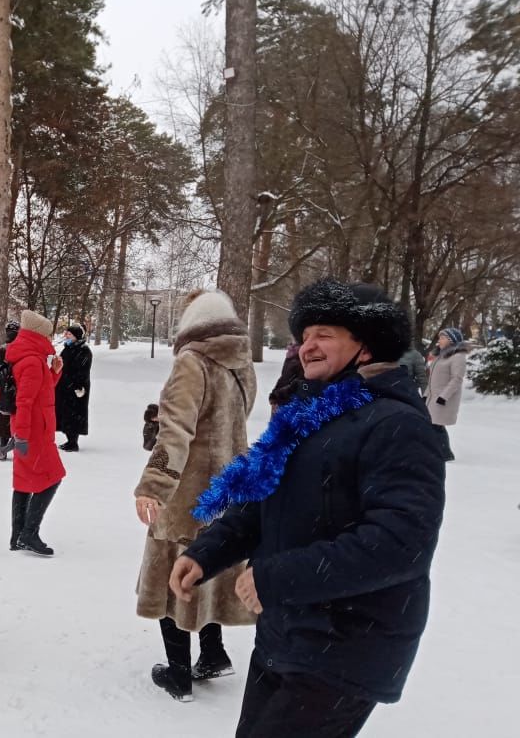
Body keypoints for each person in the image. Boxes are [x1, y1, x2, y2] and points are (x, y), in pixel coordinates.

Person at [170, 279, 445, 738]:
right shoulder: (312, 415)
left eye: (325, 335)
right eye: (305, 335)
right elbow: (267, 501)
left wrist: (275, 577)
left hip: (345, 646)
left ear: (366, 345)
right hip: (288, 631)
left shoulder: (397, 425)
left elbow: (400, 544)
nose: (306, 347)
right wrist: (207, 551)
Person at [134, 290, 258, 703]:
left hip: (188, 492)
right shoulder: (241, 365)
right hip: (230, 490)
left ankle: (178, 673)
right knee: (211, 566)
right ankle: (213, 652)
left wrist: (153, 485)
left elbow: (176, 434)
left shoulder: (191, 362)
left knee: (174, 579)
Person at [4, 310, 66, 556]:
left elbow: (40, 391)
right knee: (53, 476)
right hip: (34, 433)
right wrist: (22, 436)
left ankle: (17, 535)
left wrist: (54, 372)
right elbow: (26, 402)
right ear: (39, 335)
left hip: (30, 430)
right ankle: (29, 532)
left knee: (23, 481)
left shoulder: (31, 357)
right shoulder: (31, 360)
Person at [426, 327, 468, 461]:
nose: (439, 340)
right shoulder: (440, 356)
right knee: (433, 424)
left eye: (442, 338)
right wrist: (426, 394)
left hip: (442, 398)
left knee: (436, 425)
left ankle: (445, 453)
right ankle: (439, 451)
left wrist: (444, 396)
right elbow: (432, 378)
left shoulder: (458, 357)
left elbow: (457, 379)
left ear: (451, 340)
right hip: (433, 397)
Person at [55, 323, 92, 452]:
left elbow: (83, 370)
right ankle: (69, 440)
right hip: (65, 386)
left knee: (74, 414)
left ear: (76, 336)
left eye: (69, 334)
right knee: (65, 413)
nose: (66, 336)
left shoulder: (84, 350)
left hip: (76, 388)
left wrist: (78, 385)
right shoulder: (68, 348)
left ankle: (73, 442)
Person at [0, 321, 20, 460]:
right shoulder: (21, 349)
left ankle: (4, 448)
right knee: (16, 419)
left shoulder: (2, 350)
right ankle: (17, 447)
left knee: (5, 418)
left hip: (5, 389)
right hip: (17, 389)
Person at [267, 339, 302, 411]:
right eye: (291, 344)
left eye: (296, 345)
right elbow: (283, 378)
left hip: (289, 404)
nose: (292, 347)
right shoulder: (290, 358)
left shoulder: (301, 361)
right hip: (279, 401)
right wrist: (274, 392)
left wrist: (277, 395)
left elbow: (297, 383)